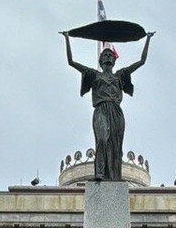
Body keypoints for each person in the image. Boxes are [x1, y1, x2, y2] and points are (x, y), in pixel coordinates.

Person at [63, 30, 154, 181]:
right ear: (100, 60)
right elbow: (71, 62)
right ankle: (100, 172)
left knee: (115, 144)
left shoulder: (120, 75)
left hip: (116, 111)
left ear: (114, 59)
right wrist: (67, 39)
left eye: (110, 55)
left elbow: (142, 61)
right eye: (104, 55)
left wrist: (148, 39)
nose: (107, 56)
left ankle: (114, 176)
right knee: (102, 140)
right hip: (101, 109)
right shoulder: (94, 75)